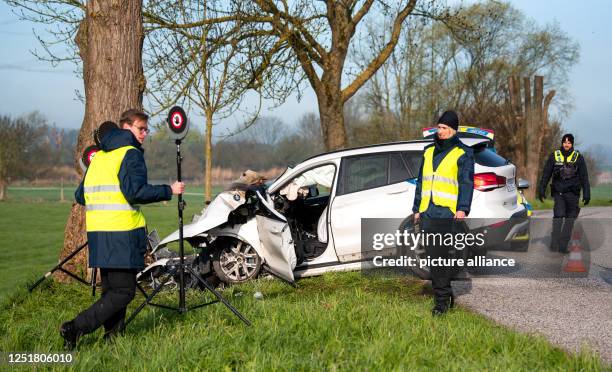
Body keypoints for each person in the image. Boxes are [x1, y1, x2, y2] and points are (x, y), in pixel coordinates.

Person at [60, 109, 185, 349]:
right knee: (124, 292)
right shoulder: (130, 154)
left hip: (99, 235)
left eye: (147, 129)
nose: (145, 134)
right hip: (122, 234)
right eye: (141, 128)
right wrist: (169, 190)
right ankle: (75, 328)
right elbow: (135, 192)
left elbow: (80, 195)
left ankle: (113, 340)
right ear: (125, 128)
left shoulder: (100, 159)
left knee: (112, 291)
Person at [412, 110, 474, 316]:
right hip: (428, 213)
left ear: (453, 130)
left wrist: (462, 209)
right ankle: (445, 295)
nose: (440, 131)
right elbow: (421, 182)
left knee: (442, 258)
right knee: (433, 258)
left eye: (445, 128)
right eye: (439, 127)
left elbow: (466, 183)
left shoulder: (462, 153)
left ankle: (442, 302)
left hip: (448, 214)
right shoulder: (428, 151)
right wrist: (416, 209)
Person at [538, 133, 590, 253]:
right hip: (559, 192)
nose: (566, 144)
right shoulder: (554, 156)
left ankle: (563, 246)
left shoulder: (578, 157)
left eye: (569, 142)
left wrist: (587, 193)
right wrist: (542, 189)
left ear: (572, 144)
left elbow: (584, 177)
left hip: (573, 193)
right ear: (562, 143)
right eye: (564, 142)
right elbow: (546, 174)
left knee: (569, 220)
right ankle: (554, 242)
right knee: (559, 215)